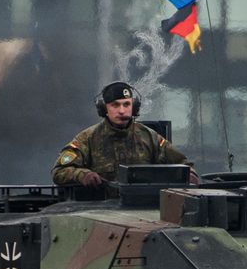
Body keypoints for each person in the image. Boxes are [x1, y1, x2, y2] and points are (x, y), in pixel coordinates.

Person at [51, 81, 196, 191]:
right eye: (115, 105)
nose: (122, 111)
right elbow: (59, 171)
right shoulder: (87, 139)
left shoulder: (149, 137)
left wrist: (189, 175)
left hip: (144, 208)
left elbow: (183, 164)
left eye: (127, 104)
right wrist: (83, 175)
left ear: (134, 107)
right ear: (104, 109)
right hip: (100, 210)